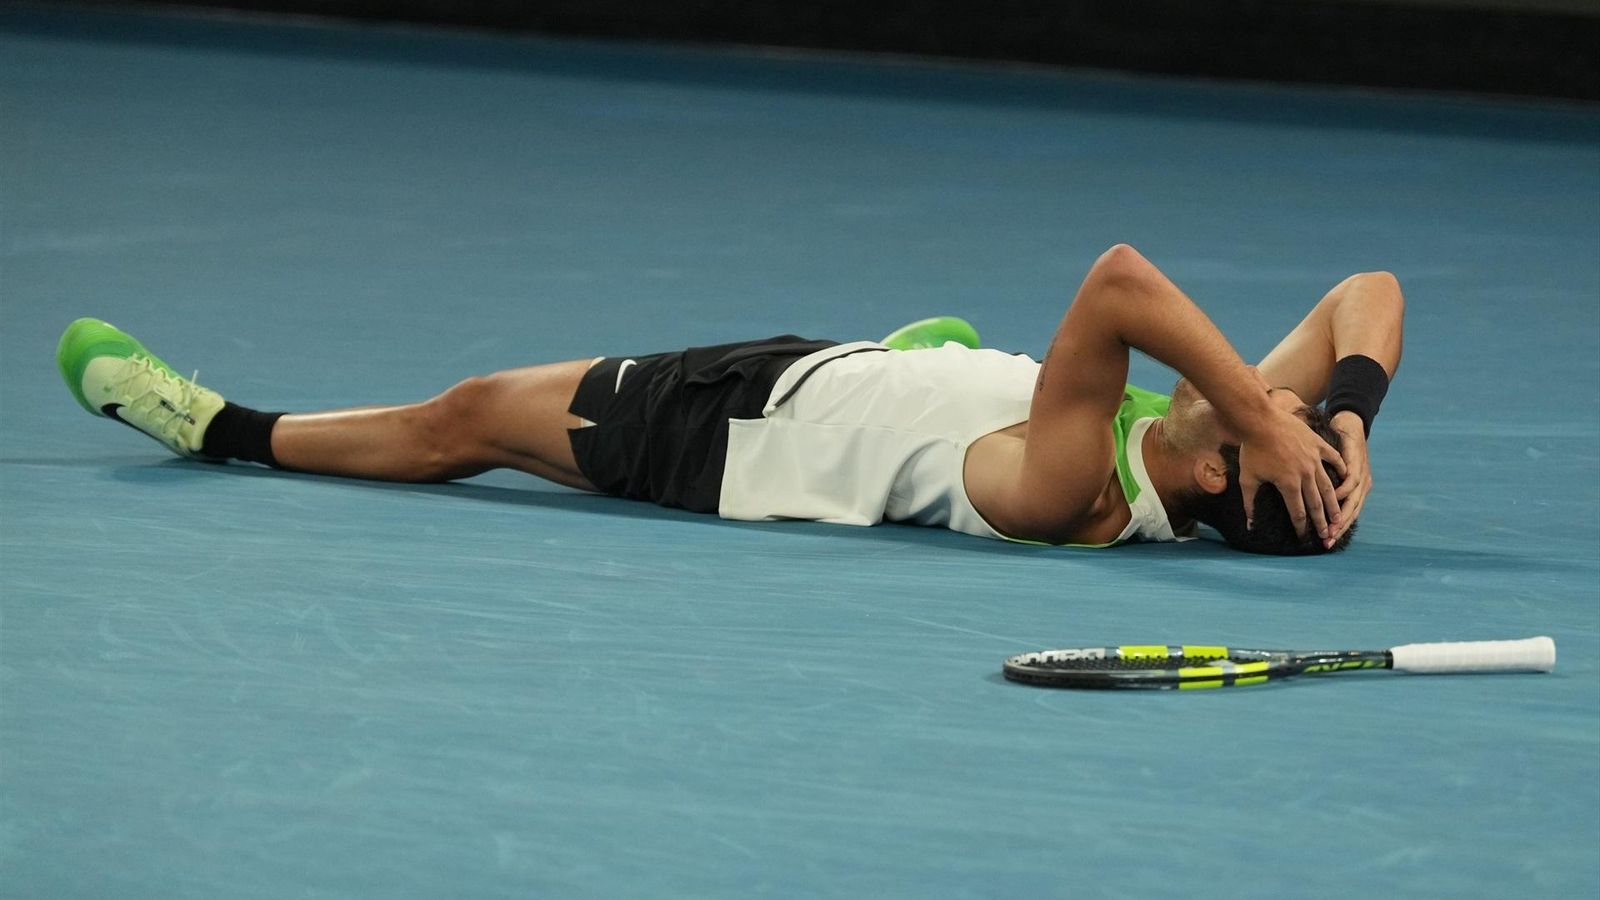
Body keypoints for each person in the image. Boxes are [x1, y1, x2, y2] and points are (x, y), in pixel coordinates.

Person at [57, 244, 1402, 554]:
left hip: (720, 435)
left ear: (1218, 474)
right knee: (942, 353)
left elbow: (1117, 283)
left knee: (464, 416)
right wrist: (1336, 420)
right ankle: (913, 365)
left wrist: (1267, 409)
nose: (1229, 392)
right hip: (832, 379)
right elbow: (1369, 291)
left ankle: (217, 428)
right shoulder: (1199, 442)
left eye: (1237, 418)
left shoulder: (1077, 484)